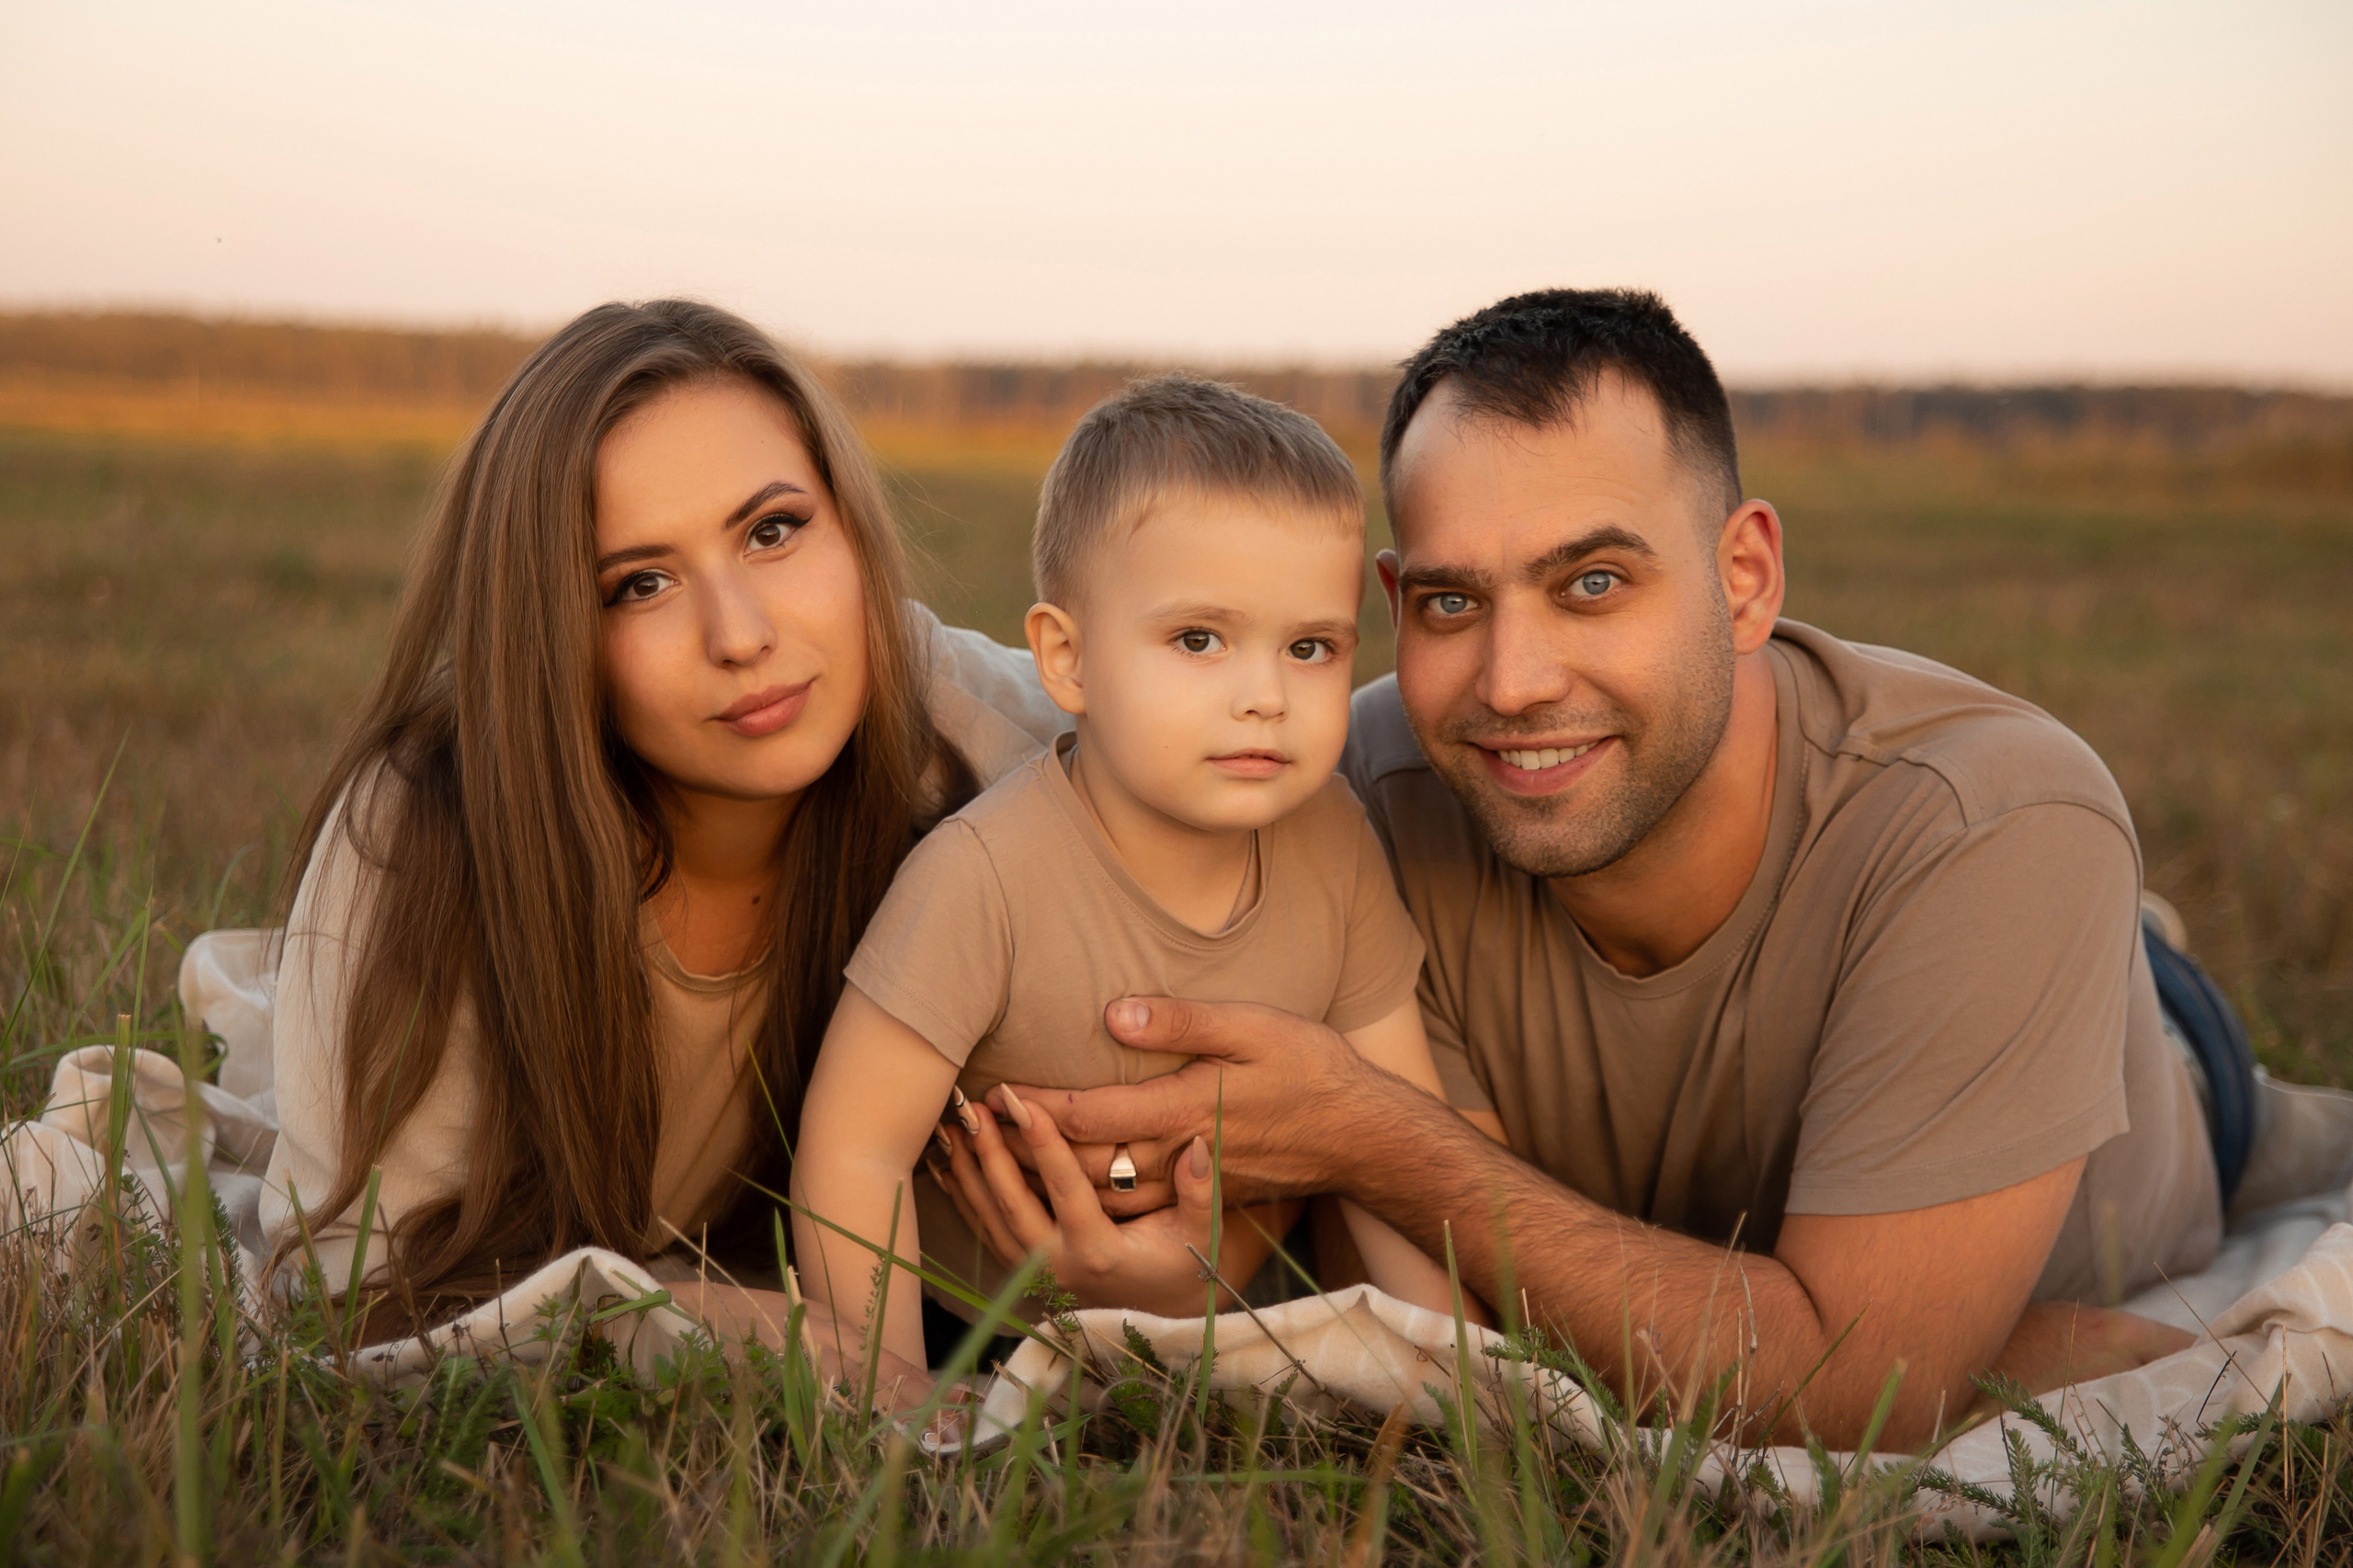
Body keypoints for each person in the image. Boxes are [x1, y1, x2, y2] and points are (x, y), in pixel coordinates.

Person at [936, 289, 2269, 1451]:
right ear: (1398, 606)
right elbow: (1437, 1332)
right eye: (1456, 603)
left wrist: (1381, 1139)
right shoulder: (1349, 799)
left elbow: (1852, 1396)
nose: (1514, 683)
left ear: (1743, 577)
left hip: (2152, 1059)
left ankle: (2138, 955)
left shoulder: (1995, 825)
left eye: (1591, 585)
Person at [258, 299, 1068, 1359]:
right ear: (549, 633)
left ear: (851, 524)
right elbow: (342, 1302)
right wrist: (776, 1333)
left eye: (773, 530)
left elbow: (1256, 736)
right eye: (640, 583)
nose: (742, 635)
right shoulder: (418, 838)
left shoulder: (958, 722)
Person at [791, 375, 1478, 1403]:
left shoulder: (1333, 839)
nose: (1264, 694)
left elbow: (1395, 1132)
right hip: (968, 1320)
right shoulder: (987, 873)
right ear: (1066, 659)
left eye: (1310, 647)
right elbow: (854, 1146)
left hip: (1221, 1322)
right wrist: (893, 1393)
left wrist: (1466, 1377)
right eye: (1199, 639)